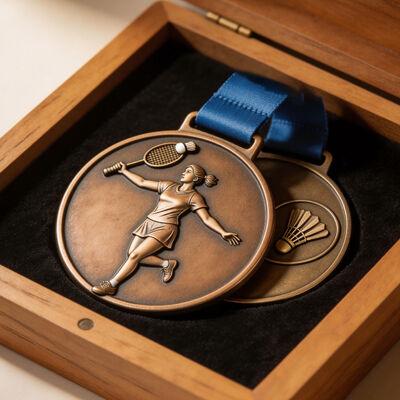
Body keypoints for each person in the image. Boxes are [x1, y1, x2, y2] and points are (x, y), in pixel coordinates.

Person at [92, 162, 241, 296]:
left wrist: (222, 232)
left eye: (188, 171)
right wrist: (125, 171)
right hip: (149, 222)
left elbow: (206, 218)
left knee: (135, 255)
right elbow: (142, 182)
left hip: (165, 228)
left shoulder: (194, 197)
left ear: (196, 178)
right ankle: (166, 264)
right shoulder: (169, 185)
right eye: (185, 170)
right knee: (132, 254)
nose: (183, 172)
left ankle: (111, 285)